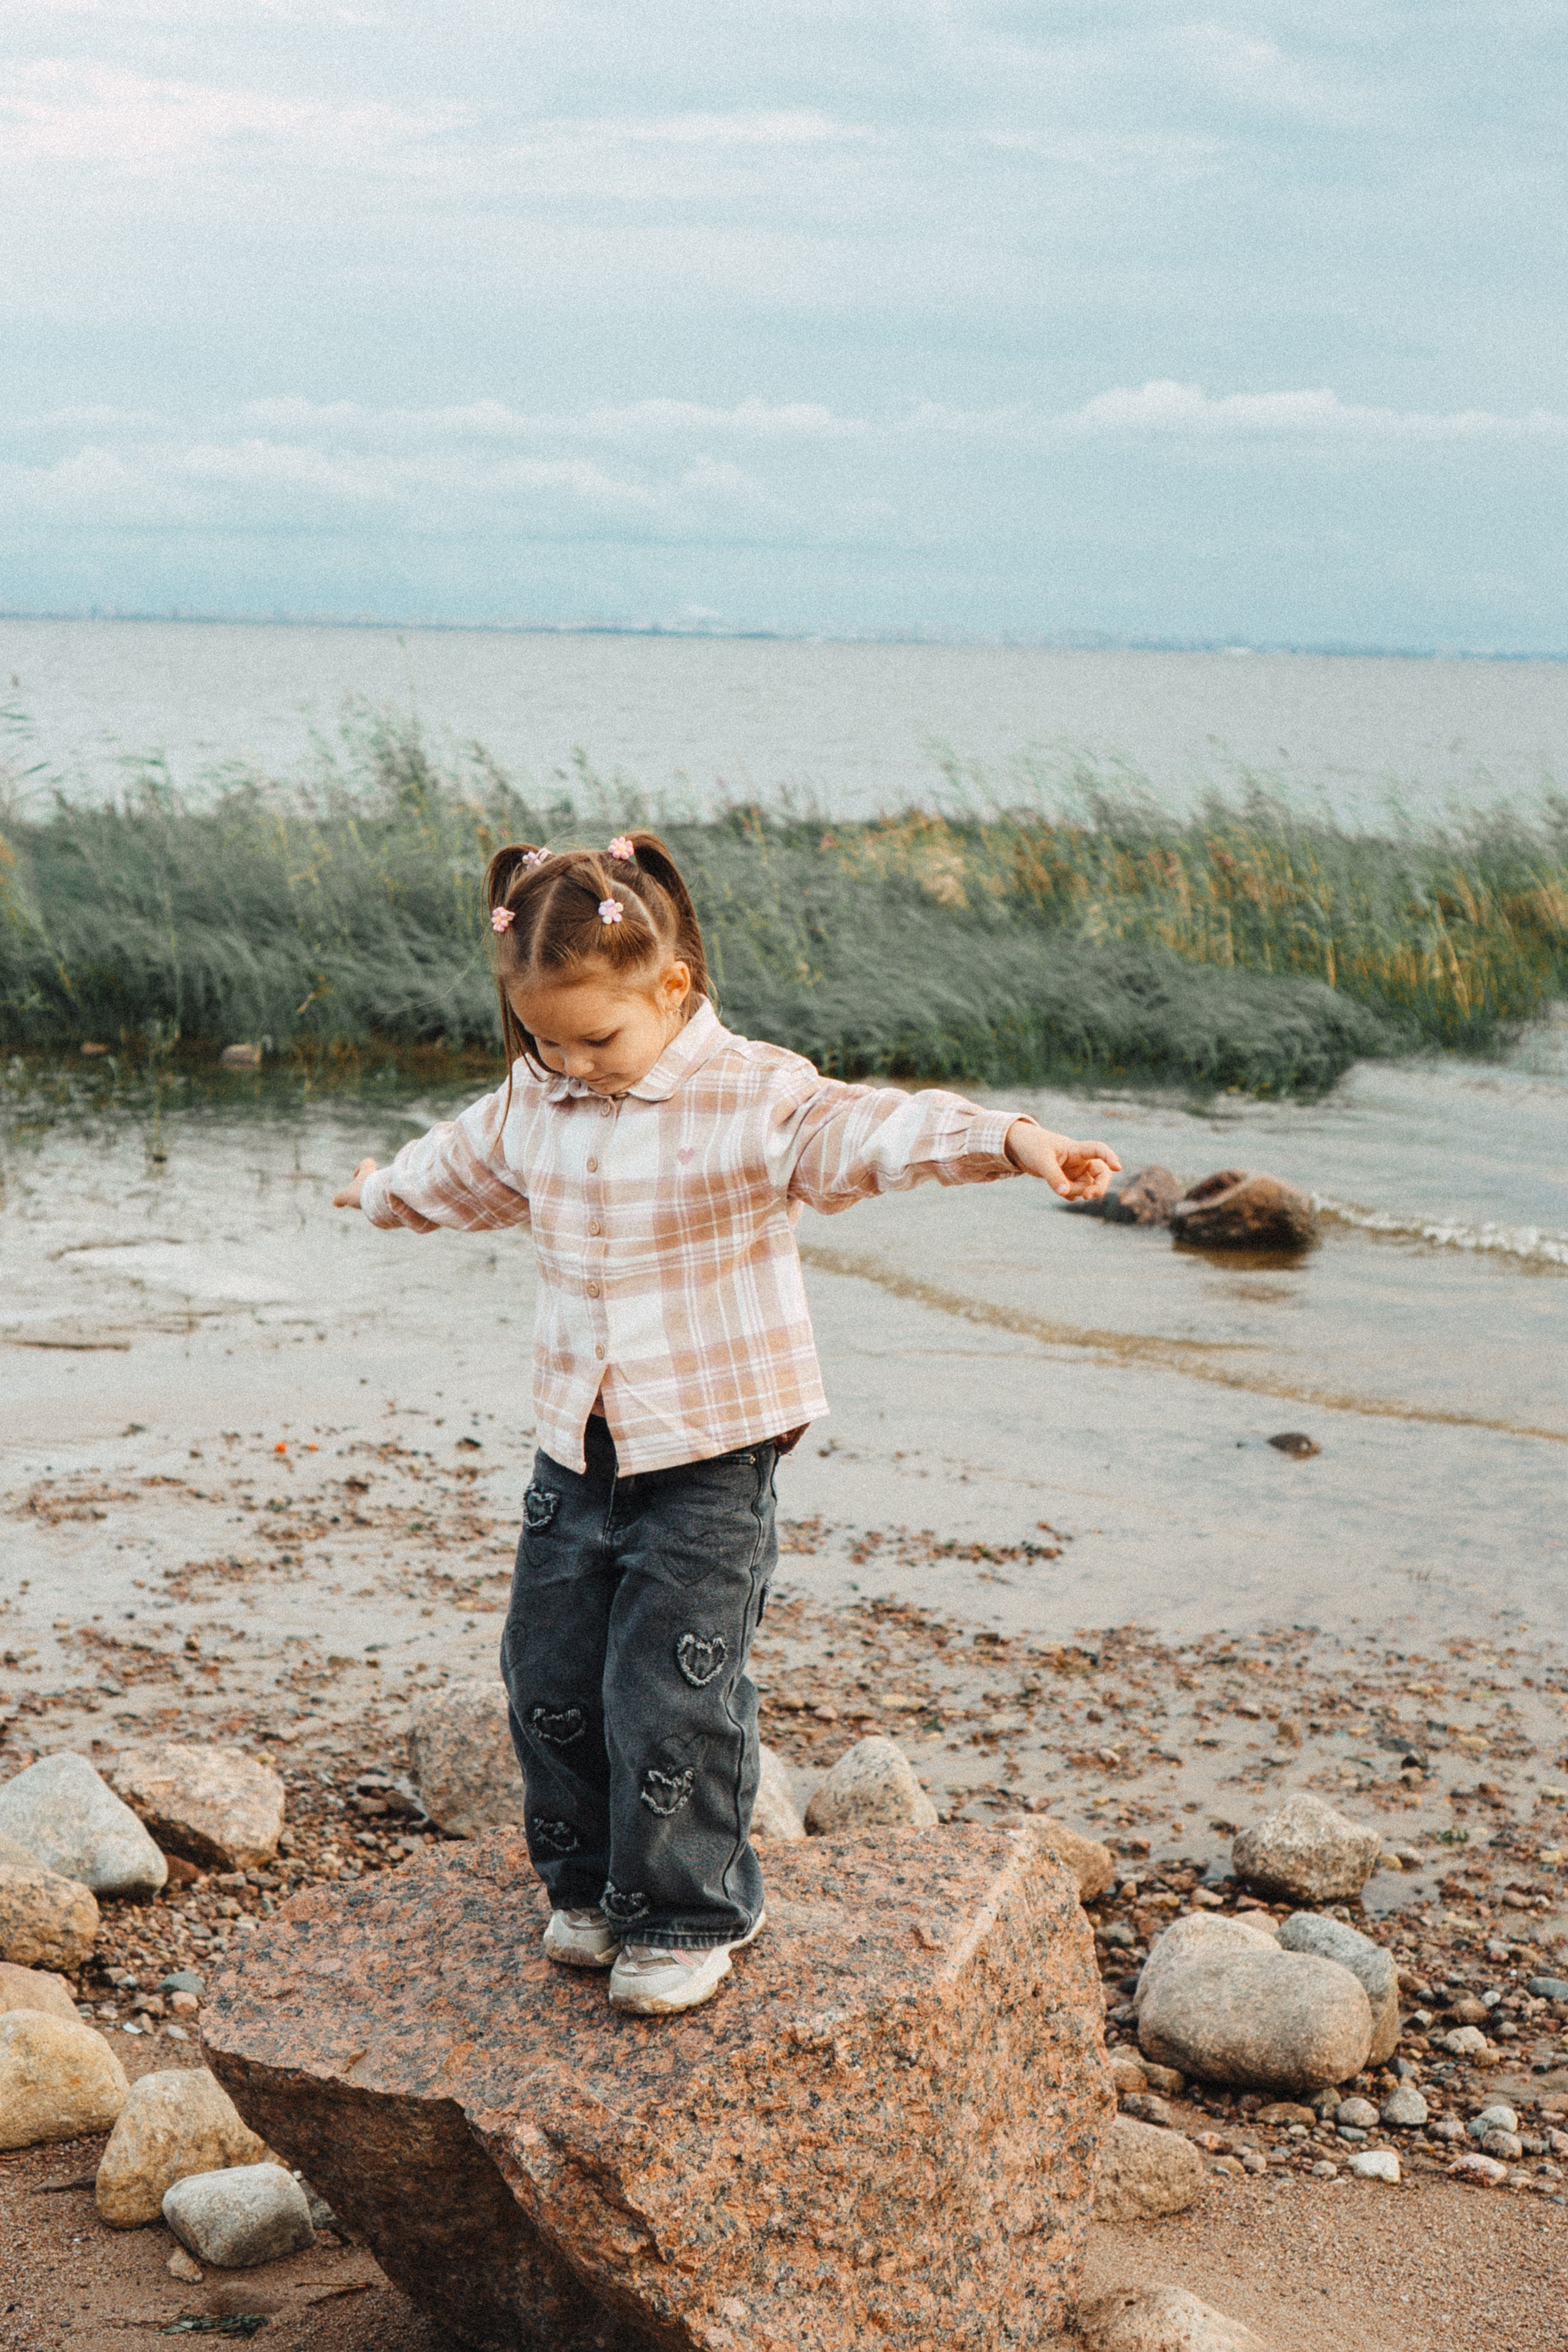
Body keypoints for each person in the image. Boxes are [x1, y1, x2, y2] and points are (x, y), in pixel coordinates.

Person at [333, 831, 1118, 2015]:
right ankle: (592, 1885)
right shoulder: (535, 1096)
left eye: (597, 1037)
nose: (569, 1062)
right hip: (577, 1447)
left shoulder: (755, 1093)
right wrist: (378, 1191)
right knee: (545, 1675)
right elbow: (459, 1168)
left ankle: (694, 1910)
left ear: (673, 988)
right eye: (543, 1037)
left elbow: (877, 1132)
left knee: (673, 1686)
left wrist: (1013, 1141)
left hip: (710, 1452)